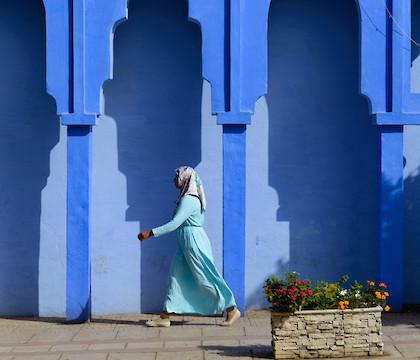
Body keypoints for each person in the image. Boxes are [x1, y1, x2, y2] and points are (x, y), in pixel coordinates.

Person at [137, 166, 241, 327]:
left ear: (185, 179)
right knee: (175, 277)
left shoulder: (190, 199)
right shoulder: (185, 198)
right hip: (185, 243)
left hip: (193, 242)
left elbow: (174, 224)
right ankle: (165, 316)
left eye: (176, 176)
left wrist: (150, 233)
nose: (174, 180)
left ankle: (232, 309)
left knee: (205, 276)